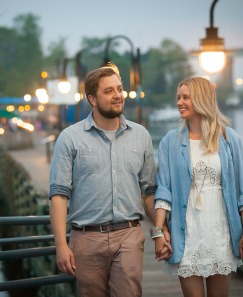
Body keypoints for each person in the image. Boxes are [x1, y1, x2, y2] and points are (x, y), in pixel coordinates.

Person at [49, 63, 169, 297]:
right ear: (92, 99)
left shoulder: (141, 135)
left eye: (119, 89)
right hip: (86, 239)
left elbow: (149, 191)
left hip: (129, 236)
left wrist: (160, 231)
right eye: (109, 91)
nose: (117, 95)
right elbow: (59, 195)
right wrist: (61, 245)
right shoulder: (69, 139)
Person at [152, 76, 243, 297]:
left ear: (201, 100)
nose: (179, 102)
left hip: (221, 233)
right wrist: (158, 232)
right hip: (187, 233)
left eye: (186, 97)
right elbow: (164, 190)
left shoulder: (229, 139)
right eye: (178, 97)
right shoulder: (170, 141)